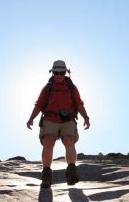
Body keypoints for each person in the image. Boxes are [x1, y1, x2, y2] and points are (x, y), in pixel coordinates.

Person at [26, 60, 90, 188]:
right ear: (52, 72)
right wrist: (31, 118)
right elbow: (39, 104)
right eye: (56, 72)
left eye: (62, 72)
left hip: (68, 120)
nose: (59, 75)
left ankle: (72, 173)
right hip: (50, 119)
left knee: (69, 141)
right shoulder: (47, 88)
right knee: (48, 142)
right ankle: (46, 177)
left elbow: (79, 104)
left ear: (66, 72)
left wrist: (86, 117)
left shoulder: (72, 87)